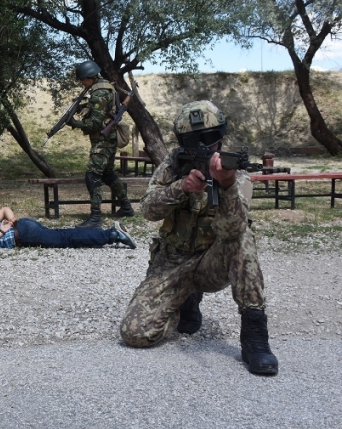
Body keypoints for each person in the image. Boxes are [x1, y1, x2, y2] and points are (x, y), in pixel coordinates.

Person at [119, 100, 278, 375]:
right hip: (171, 261)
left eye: (209, 138)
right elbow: (147, 210)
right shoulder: (171, 165)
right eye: (194, 140)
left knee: (243, 238)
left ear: (221, 136)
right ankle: (184, 303)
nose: (204, 146)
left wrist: (225, 186)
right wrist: (182, 187)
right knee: (135, 332)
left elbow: (232, 230)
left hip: (210, 263)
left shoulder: (235, 173)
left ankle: (255, 335)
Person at [68, 60, 134, 227]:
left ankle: (95, 217)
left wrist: (75, 123)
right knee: (108, 174)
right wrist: (83, 106)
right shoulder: (106, 88)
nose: (82, 83)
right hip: (108, 139)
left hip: (103, 141)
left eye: (83, 79)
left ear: (91, 77)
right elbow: (101, 110)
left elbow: (95, 124)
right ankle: (126, 207)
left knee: (92, 175)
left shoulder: (99, 93)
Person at [0, 207, 135, 250]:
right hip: (24, 225)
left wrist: (2, 231)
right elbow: (5, 209)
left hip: (21, 234)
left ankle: (111, 235)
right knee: (62, 235)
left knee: (65, 239)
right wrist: (11, 220)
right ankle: (108, 234)